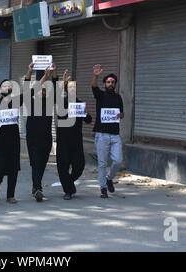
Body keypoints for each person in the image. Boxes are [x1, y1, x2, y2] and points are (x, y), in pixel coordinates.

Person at [0, 71, 50, 204]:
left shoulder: (17, 101)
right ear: (0, 89)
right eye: (4, 86)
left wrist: (44, 76)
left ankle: (10, 195)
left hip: (13, 141)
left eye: (9, 86)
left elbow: (32, 91)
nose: (6, 87)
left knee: (13, 169)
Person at [55, 69, 93, 200]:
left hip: (76, 141)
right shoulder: (60, 102)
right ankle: (68, 191)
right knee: (62, 168)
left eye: (73, 88)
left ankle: (69, 183)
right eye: (69, 87)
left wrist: (87, 113)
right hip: (62, 140)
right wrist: (61, 83)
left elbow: (88, 120)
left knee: (79, 166)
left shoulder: (79, 103)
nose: (72, 90)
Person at [24, 62, 56, 202]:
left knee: (42, 164)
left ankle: (36, 186)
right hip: (33, 140)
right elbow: (26, 88)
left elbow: (56, 87)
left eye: (43, 90)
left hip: (46, 140)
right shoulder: (29, 103)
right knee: (36, 164)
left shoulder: (49, 103)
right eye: (39, 90)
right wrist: (30, 71)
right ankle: (38, 188)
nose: (41, 92)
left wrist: (53, 73)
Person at [91, 64, 124, 199]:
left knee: (118, 161)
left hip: (115, 135)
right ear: (105, 84)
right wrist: (96, 75)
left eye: (112, 82)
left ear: (115, 84)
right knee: (102, 163)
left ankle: (109, 178)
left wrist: (120, 115)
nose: (110, 84)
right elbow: (93, 87)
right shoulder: (100, 95)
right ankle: (103, 188)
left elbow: (122, 114)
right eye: (108, 82)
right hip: (102, 134)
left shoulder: (118, 97)